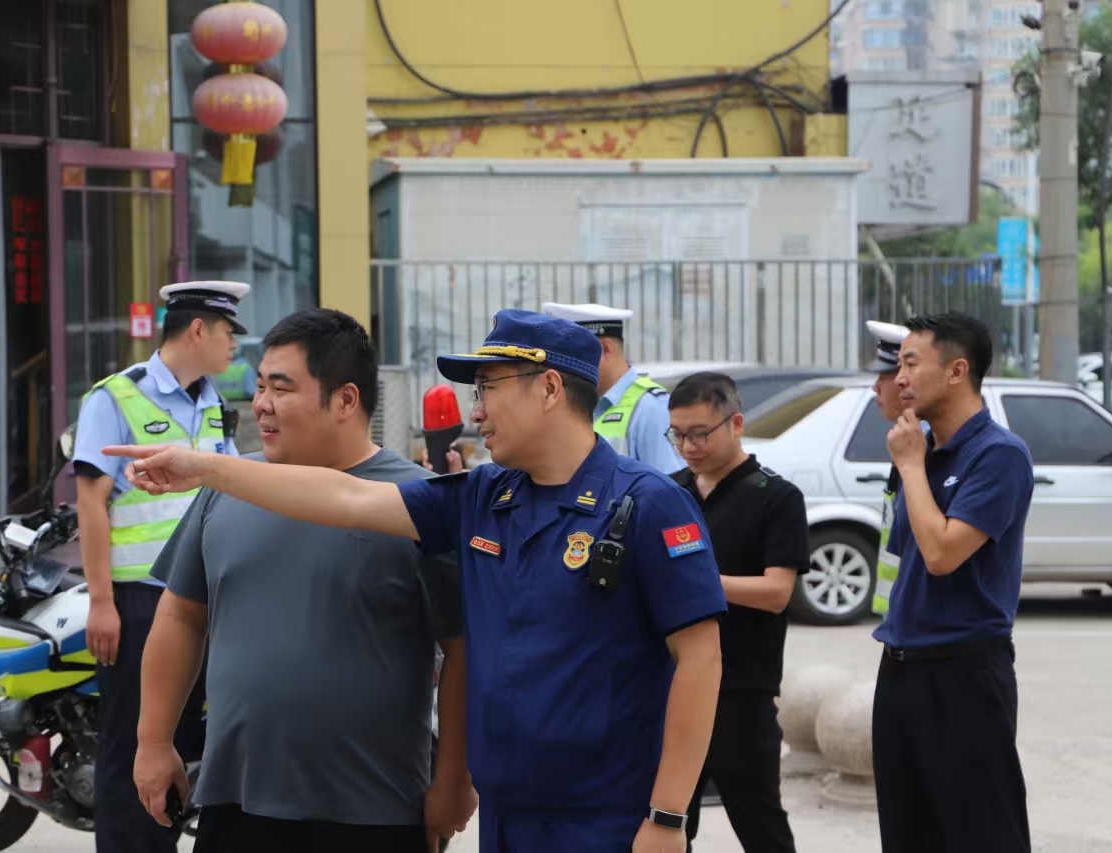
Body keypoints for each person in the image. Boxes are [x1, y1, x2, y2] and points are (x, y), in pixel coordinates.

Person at [104, 308, 729, 853]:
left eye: (487, 388)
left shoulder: (646, 504)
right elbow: (349, 498)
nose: (475, 410)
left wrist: (668, 815)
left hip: (607, 814)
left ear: (547, 388)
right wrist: (204, 469)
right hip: (510, 812)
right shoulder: (486, 497)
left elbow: (701, 660)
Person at [131, 308, 477, 853]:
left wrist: (454, 780)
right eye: (260, 386)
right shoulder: (225, 488)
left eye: (282, 388)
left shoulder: (416, 504)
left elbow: (464, 652)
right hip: (235, 803)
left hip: (373, 811)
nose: (262, 403)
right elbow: (179, 616)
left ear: (345, 400)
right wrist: (153, 741)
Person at [72, 280, 247, 853]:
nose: (233, 346)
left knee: (189, 744)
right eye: (227, 333)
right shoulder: (115, 398)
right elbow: (91, 503)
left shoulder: (214, 405)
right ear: (197, 330)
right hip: (140, 602)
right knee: (133, 745)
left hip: (205, 598)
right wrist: (102, 602)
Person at [873, 312, 1034, 853]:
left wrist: (912, 468)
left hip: (964, 675)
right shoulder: (919, 449)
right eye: (898, 366)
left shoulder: (998, 455)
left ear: (957, 371)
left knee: (981, 835)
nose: (899, 379)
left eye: (911, 364)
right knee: (907, 836)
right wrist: (913, 463)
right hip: (900, 669)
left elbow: (942, 554)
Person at [667, 373, 807, 853]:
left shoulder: (776, 497)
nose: (688, 447)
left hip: (741, 691)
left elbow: (776, 591)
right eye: (678, 434)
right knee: (666, 823)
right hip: (673, 686)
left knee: (760, 823)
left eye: (700, 433)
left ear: (736, 424)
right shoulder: (669, 493)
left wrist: (697, 584)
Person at [541, 302, 685, 474]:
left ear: (605, 349)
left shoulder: (650, 407)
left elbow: (668, 483)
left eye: (574, 357)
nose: (565, 367)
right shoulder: (575, 405)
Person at [864, 319, 912, 618]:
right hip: (899, 622)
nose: (875, 387)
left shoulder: (925, 446)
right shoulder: (906, 439)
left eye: (884, 376)